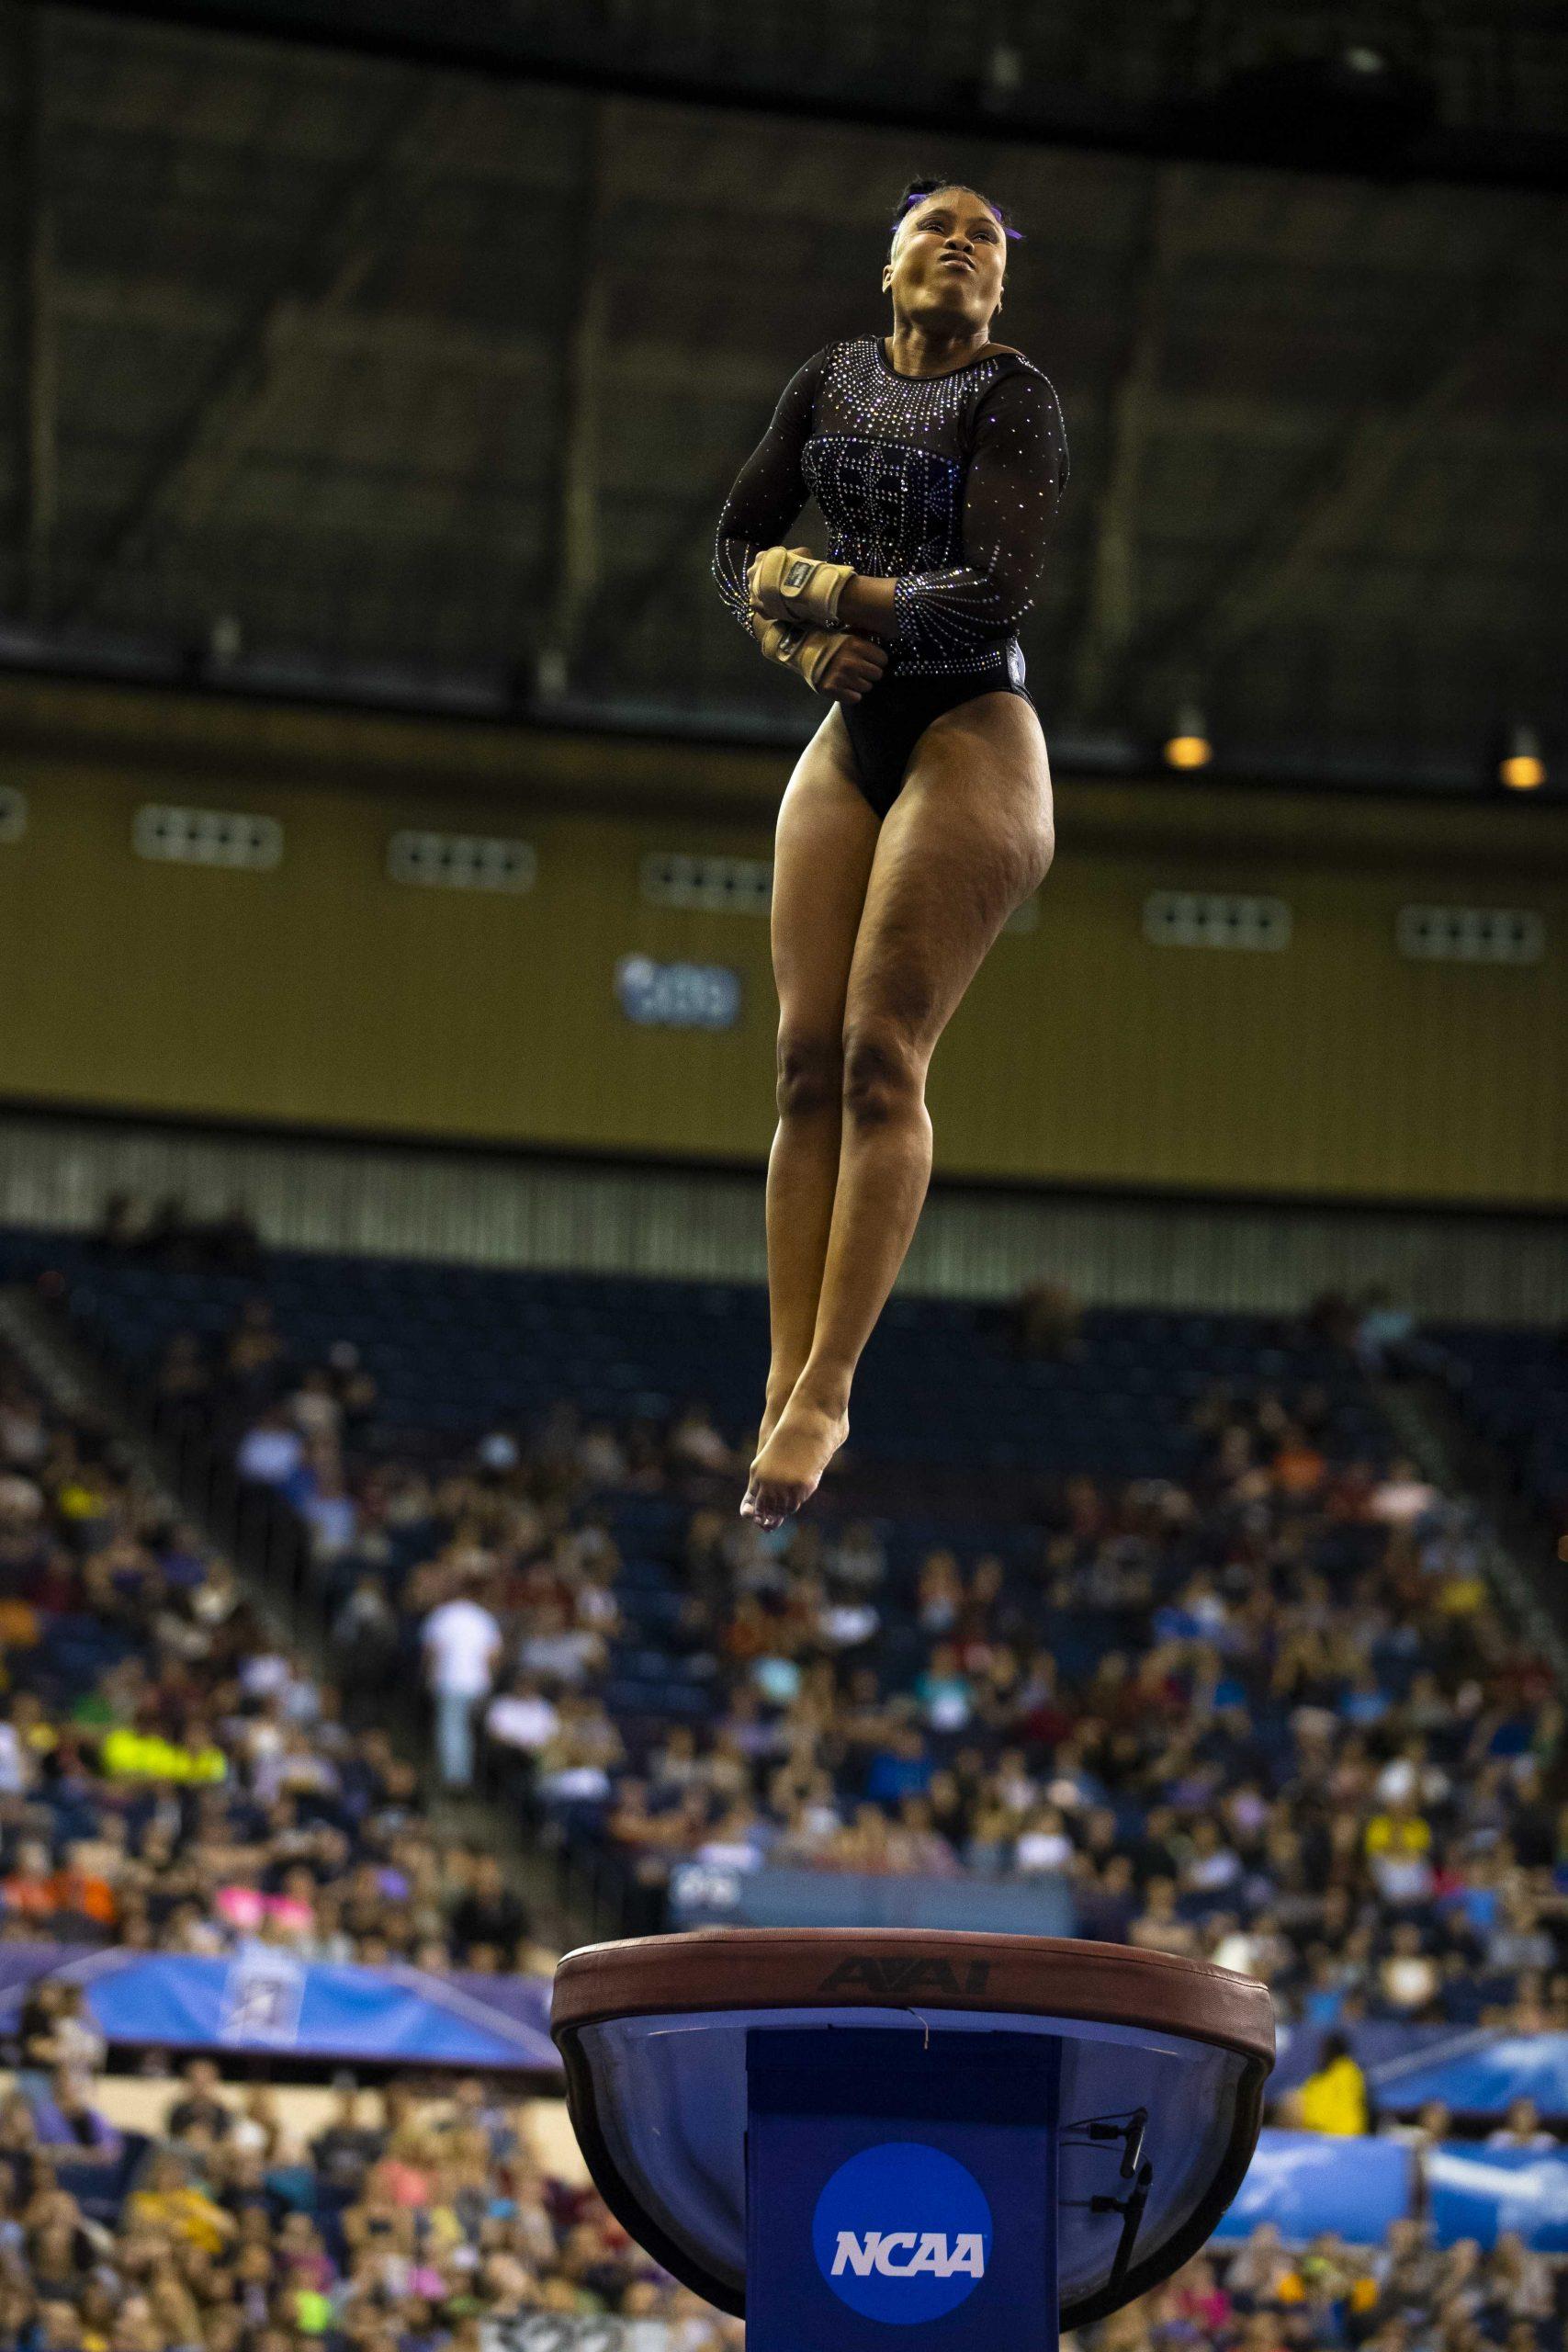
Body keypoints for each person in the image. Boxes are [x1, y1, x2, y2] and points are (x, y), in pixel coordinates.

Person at [713, 174, 1067, 1527]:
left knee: (876, 1059)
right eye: (938, 225)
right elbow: (735, 543)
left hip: (970, 731)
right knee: (800, 1063)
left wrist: (820, 587)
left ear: (997, 287)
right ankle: (775, 1374)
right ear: (888, 264)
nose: (962, 243)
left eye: (985, 237)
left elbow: (991, 589)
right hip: (849, 732)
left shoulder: (1010, 396)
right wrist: (794, 635)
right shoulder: (829, 378)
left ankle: (829, 1388)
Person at [421, 1577, 502, 1792]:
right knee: (472, 1731)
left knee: (453, 1730)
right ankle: (473, 1779)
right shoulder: (483, 1618)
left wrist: (429, 1676)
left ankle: (456, 1779)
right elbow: (494, 1656)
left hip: (450, 1681)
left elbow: (431, 1651)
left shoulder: (443, 1615)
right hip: (478, 1683)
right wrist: (490, 1680)